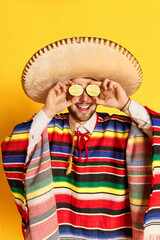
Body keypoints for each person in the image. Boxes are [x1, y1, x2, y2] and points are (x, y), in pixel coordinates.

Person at [1, 37, 160, 240]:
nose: (84, 98)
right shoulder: (46, 129)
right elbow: (15, 146)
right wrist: (48, 111)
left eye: (91, 89)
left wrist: (126, 105)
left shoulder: (123, 130)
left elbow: (156, 134)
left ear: (101, 91)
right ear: (65, 91)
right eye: (76, 89)